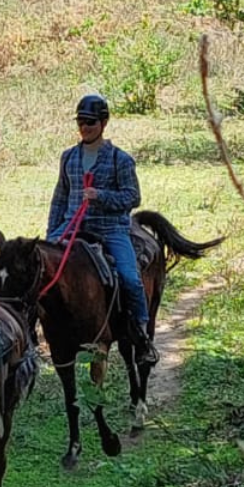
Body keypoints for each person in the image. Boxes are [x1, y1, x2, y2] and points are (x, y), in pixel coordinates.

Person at [47, 93, 159, 365]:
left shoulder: (121, 160)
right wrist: (52, 235)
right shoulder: (69, 158)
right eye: (81, 122)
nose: (85, 127)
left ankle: (142, 335)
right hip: (72, 226)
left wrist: (101, 196)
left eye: (91, 122)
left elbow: (133, 198)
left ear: (104, 123)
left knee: (130, 279)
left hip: (110, 229)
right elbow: (60, 197)